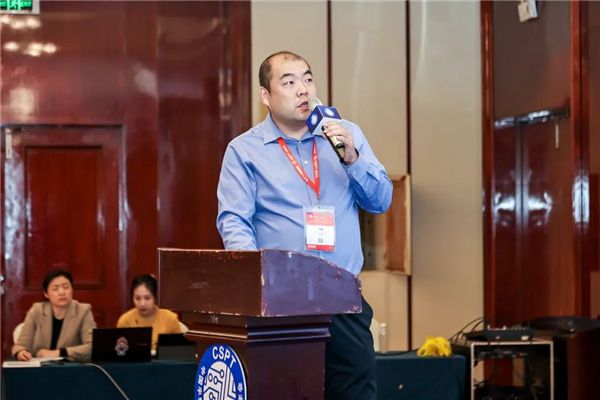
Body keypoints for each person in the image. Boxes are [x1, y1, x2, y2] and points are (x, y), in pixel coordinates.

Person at [216, 50, 393, 400]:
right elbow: (234, 221)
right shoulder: (244, 151)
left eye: (308, 79)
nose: (303, 90)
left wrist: (352, 158)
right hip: (281, 304)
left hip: (343, 300)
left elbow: (381, 200)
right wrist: (252, 284)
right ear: (265, 95)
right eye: (289, 82)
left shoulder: (346, 135)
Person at [12, 269, 96, 361]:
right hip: (40, 366)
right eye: (55, 289)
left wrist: (60, 352)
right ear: (46, 294)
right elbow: (21, 345)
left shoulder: (83, 311)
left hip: (69, 366)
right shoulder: (37, 310)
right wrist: (21, 353)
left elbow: (92, 346)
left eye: (66, 287)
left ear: (72, 289)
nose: (62, 292)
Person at [117, 274, 183, 351]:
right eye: (137, 298)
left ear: (155, 297)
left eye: (147, 298)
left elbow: (179, 350)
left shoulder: (170, 318)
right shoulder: (125, 320)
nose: (142, 303)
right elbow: (120, 351)